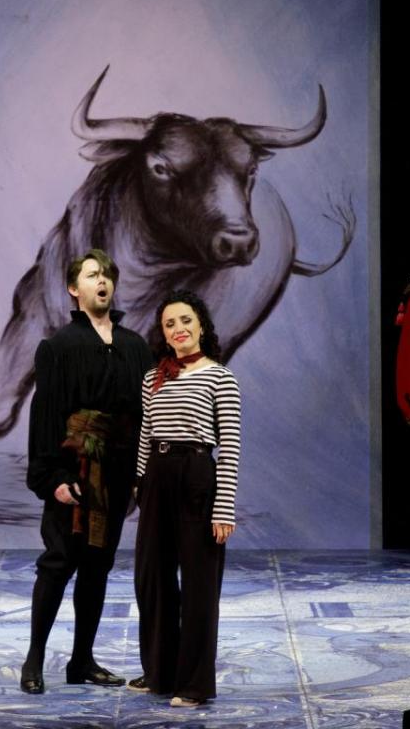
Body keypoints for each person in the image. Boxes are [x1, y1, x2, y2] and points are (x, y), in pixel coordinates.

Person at [20, 248, 151, 695]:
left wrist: (138, 475)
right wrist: (53, 478)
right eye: (93, 274)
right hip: (74, 471)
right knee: (58, 563)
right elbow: (46, 416)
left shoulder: (135, 346)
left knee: (98, 566)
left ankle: (82, 659)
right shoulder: (58, 347)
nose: (103, 281)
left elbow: (143, 416)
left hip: (115, 473)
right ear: (74, 289)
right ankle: (34, 659)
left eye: (108, 275)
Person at [132, 289, 241, 708]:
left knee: (198, 585)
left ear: (201, 325)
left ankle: (194, 684)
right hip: (157, 479)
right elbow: (146, 436)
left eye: (185, 320)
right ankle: (160, 672)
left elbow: (229, 447)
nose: (178, 329)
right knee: (153, 579)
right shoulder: (152, 378)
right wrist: (140, 486)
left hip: (197, 475)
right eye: (169, 324)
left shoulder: (221, 377)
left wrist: (224, 505)